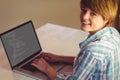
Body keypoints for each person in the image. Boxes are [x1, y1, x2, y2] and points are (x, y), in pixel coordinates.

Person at [31, 0, 120, 80]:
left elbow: (91, 56)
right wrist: (59, 58)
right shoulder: (112, 33)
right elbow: (89, 61)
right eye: (84, 10)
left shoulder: (93, 51)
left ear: (106, 18)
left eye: (93, 14)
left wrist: (47, 68)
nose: (85, 17)